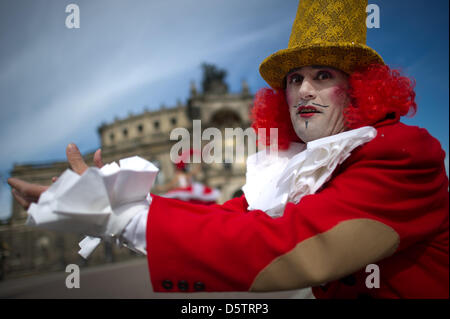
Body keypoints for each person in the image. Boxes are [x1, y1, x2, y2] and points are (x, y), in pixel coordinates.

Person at [8, 0, 449, 298]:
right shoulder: (303, 168)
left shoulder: (403, 154)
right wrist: (108, 198)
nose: (304, 91)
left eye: (323, 76)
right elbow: (229, 218)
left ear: (357, 90)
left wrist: (117, 216)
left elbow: (296, 246)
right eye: (294, 79)